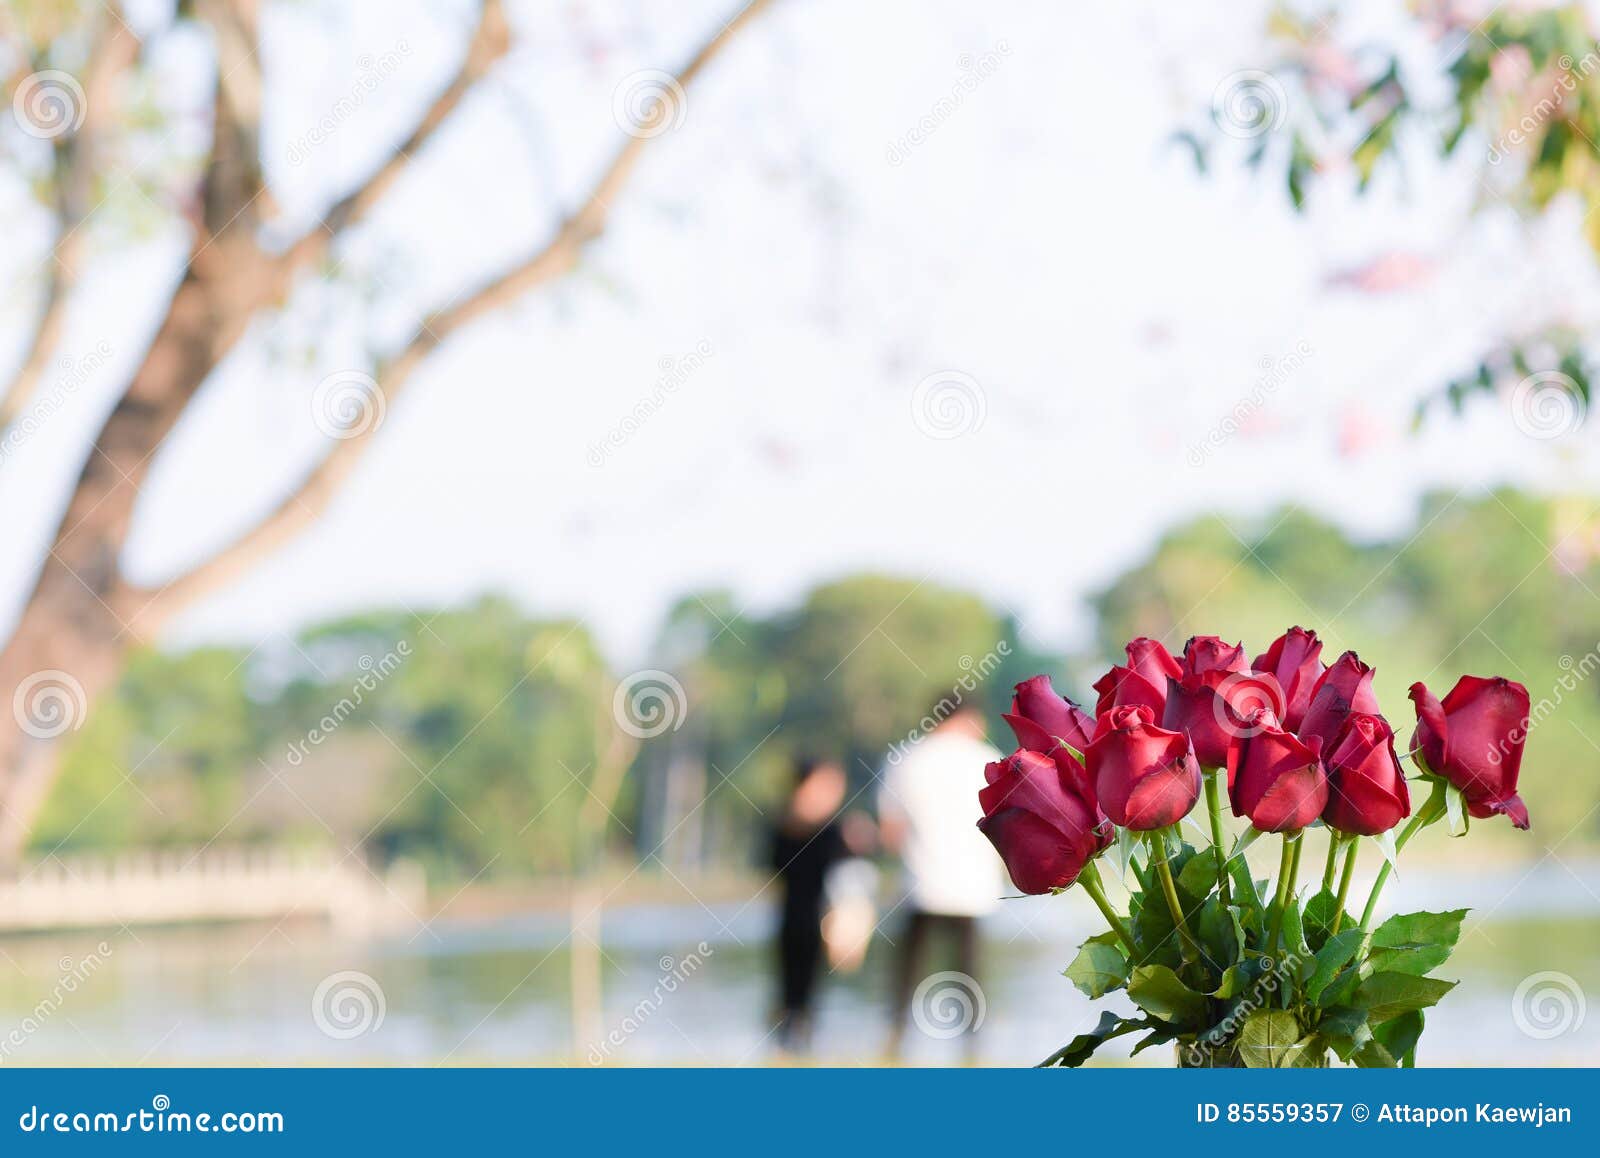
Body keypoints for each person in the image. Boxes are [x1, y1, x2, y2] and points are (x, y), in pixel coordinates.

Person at [878, 690, 1004, 1061]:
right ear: (968, 718)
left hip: (920, 883)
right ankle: (972, 1046)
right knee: (968, 970)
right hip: (973, 887)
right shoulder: (988, 759)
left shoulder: (905, 758)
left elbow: (891, 832)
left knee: (907, 970)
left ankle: (896, 1039)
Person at [768, 757, 869, 1054]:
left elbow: (851, 874)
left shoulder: (832, 828)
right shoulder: (791, 826)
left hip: (822, 921)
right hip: (794, 918)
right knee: (790, 986)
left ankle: (799, 1042)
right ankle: (789, 1040)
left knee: (809, 989)